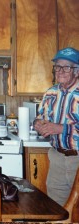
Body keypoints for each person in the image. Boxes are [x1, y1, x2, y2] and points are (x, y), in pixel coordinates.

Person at [34, 47, 79, 206]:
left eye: (66, 67)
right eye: (57, 66)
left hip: (78, 160)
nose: (60, 71)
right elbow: (40, 117)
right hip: (57, 159)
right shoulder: (50, 93)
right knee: (56, 210)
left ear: (77, 71)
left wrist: (60, 128)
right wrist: (38, 124)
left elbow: (58, 127)